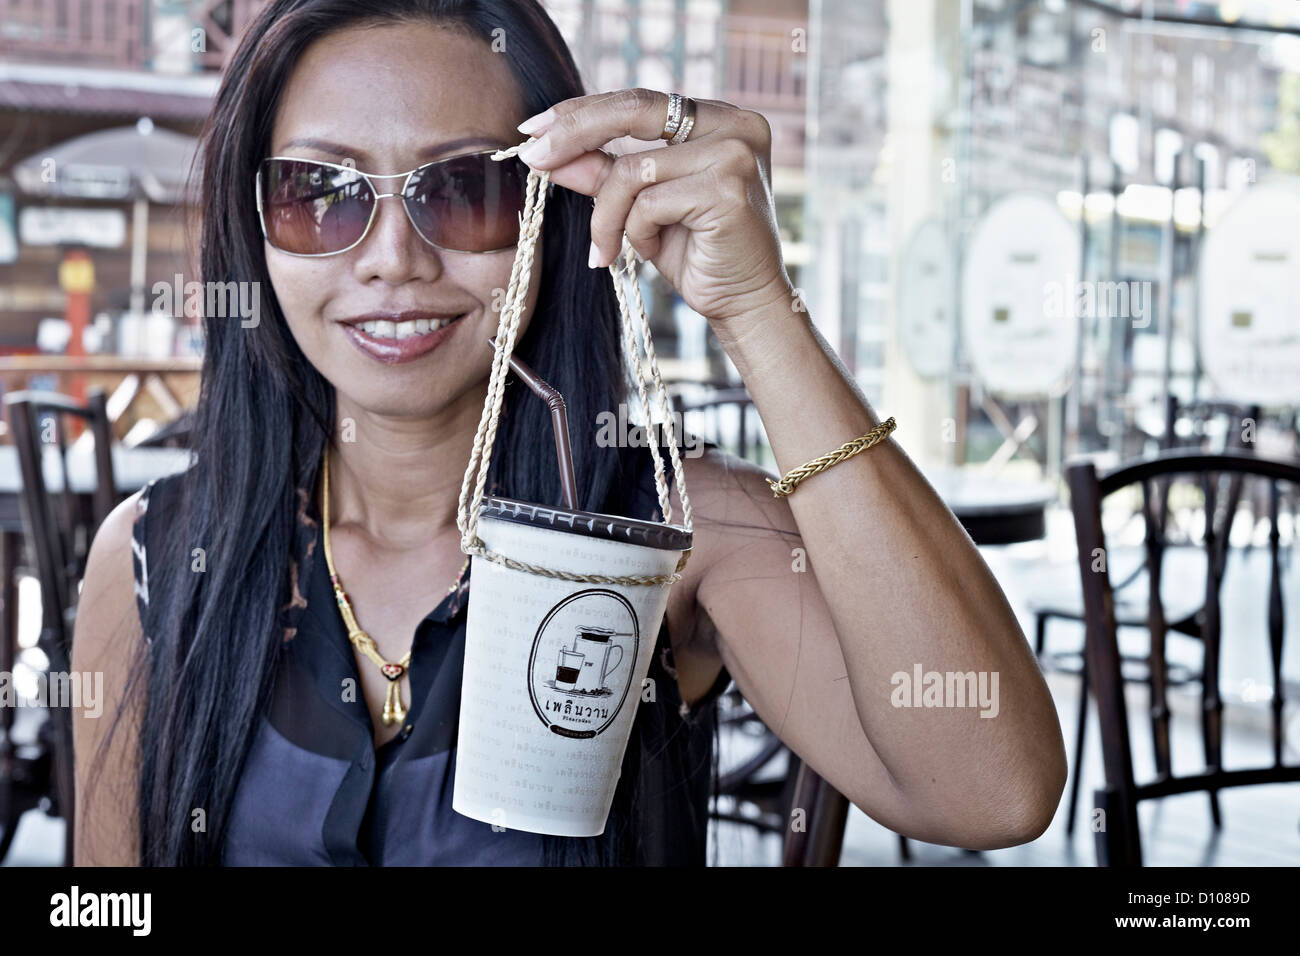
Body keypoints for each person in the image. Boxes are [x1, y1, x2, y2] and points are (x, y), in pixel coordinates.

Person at [71, 0, 1066, 866]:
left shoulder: (673, 531)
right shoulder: (156, 557)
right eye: (320, 194)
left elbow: (994, 793)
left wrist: (758, 307)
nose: (391, 259)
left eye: (463, 189)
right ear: (254, 226)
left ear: (550, 210)